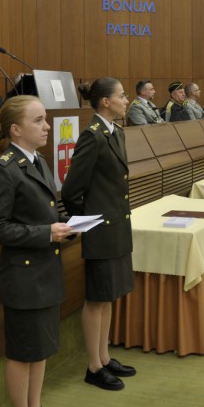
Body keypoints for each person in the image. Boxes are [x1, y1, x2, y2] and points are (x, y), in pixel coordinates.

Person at [0, 95, 74, 407]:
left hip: (45, 270)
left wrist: (62, 227)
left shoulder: (39, 161)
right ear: (16, 130)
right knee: (23, 352)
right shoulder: (3, 170)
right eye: (38, 121)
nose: (47, 126)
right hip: (23, 278)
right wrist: (46, 233)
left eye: (45, 118)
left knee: (40, 348)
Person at [61, 78, 137, 391]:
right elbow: (71, 190)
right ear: (104, 101)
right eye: (121, 95)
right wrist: (89, 222)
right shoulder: (92, 136)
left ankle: (105, 357)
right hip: (101, 229)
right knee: (96, 299)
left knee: (109, 296)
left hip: (117, 226)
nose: (126, 100)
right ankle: (93, 366)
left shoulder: (114, 132)